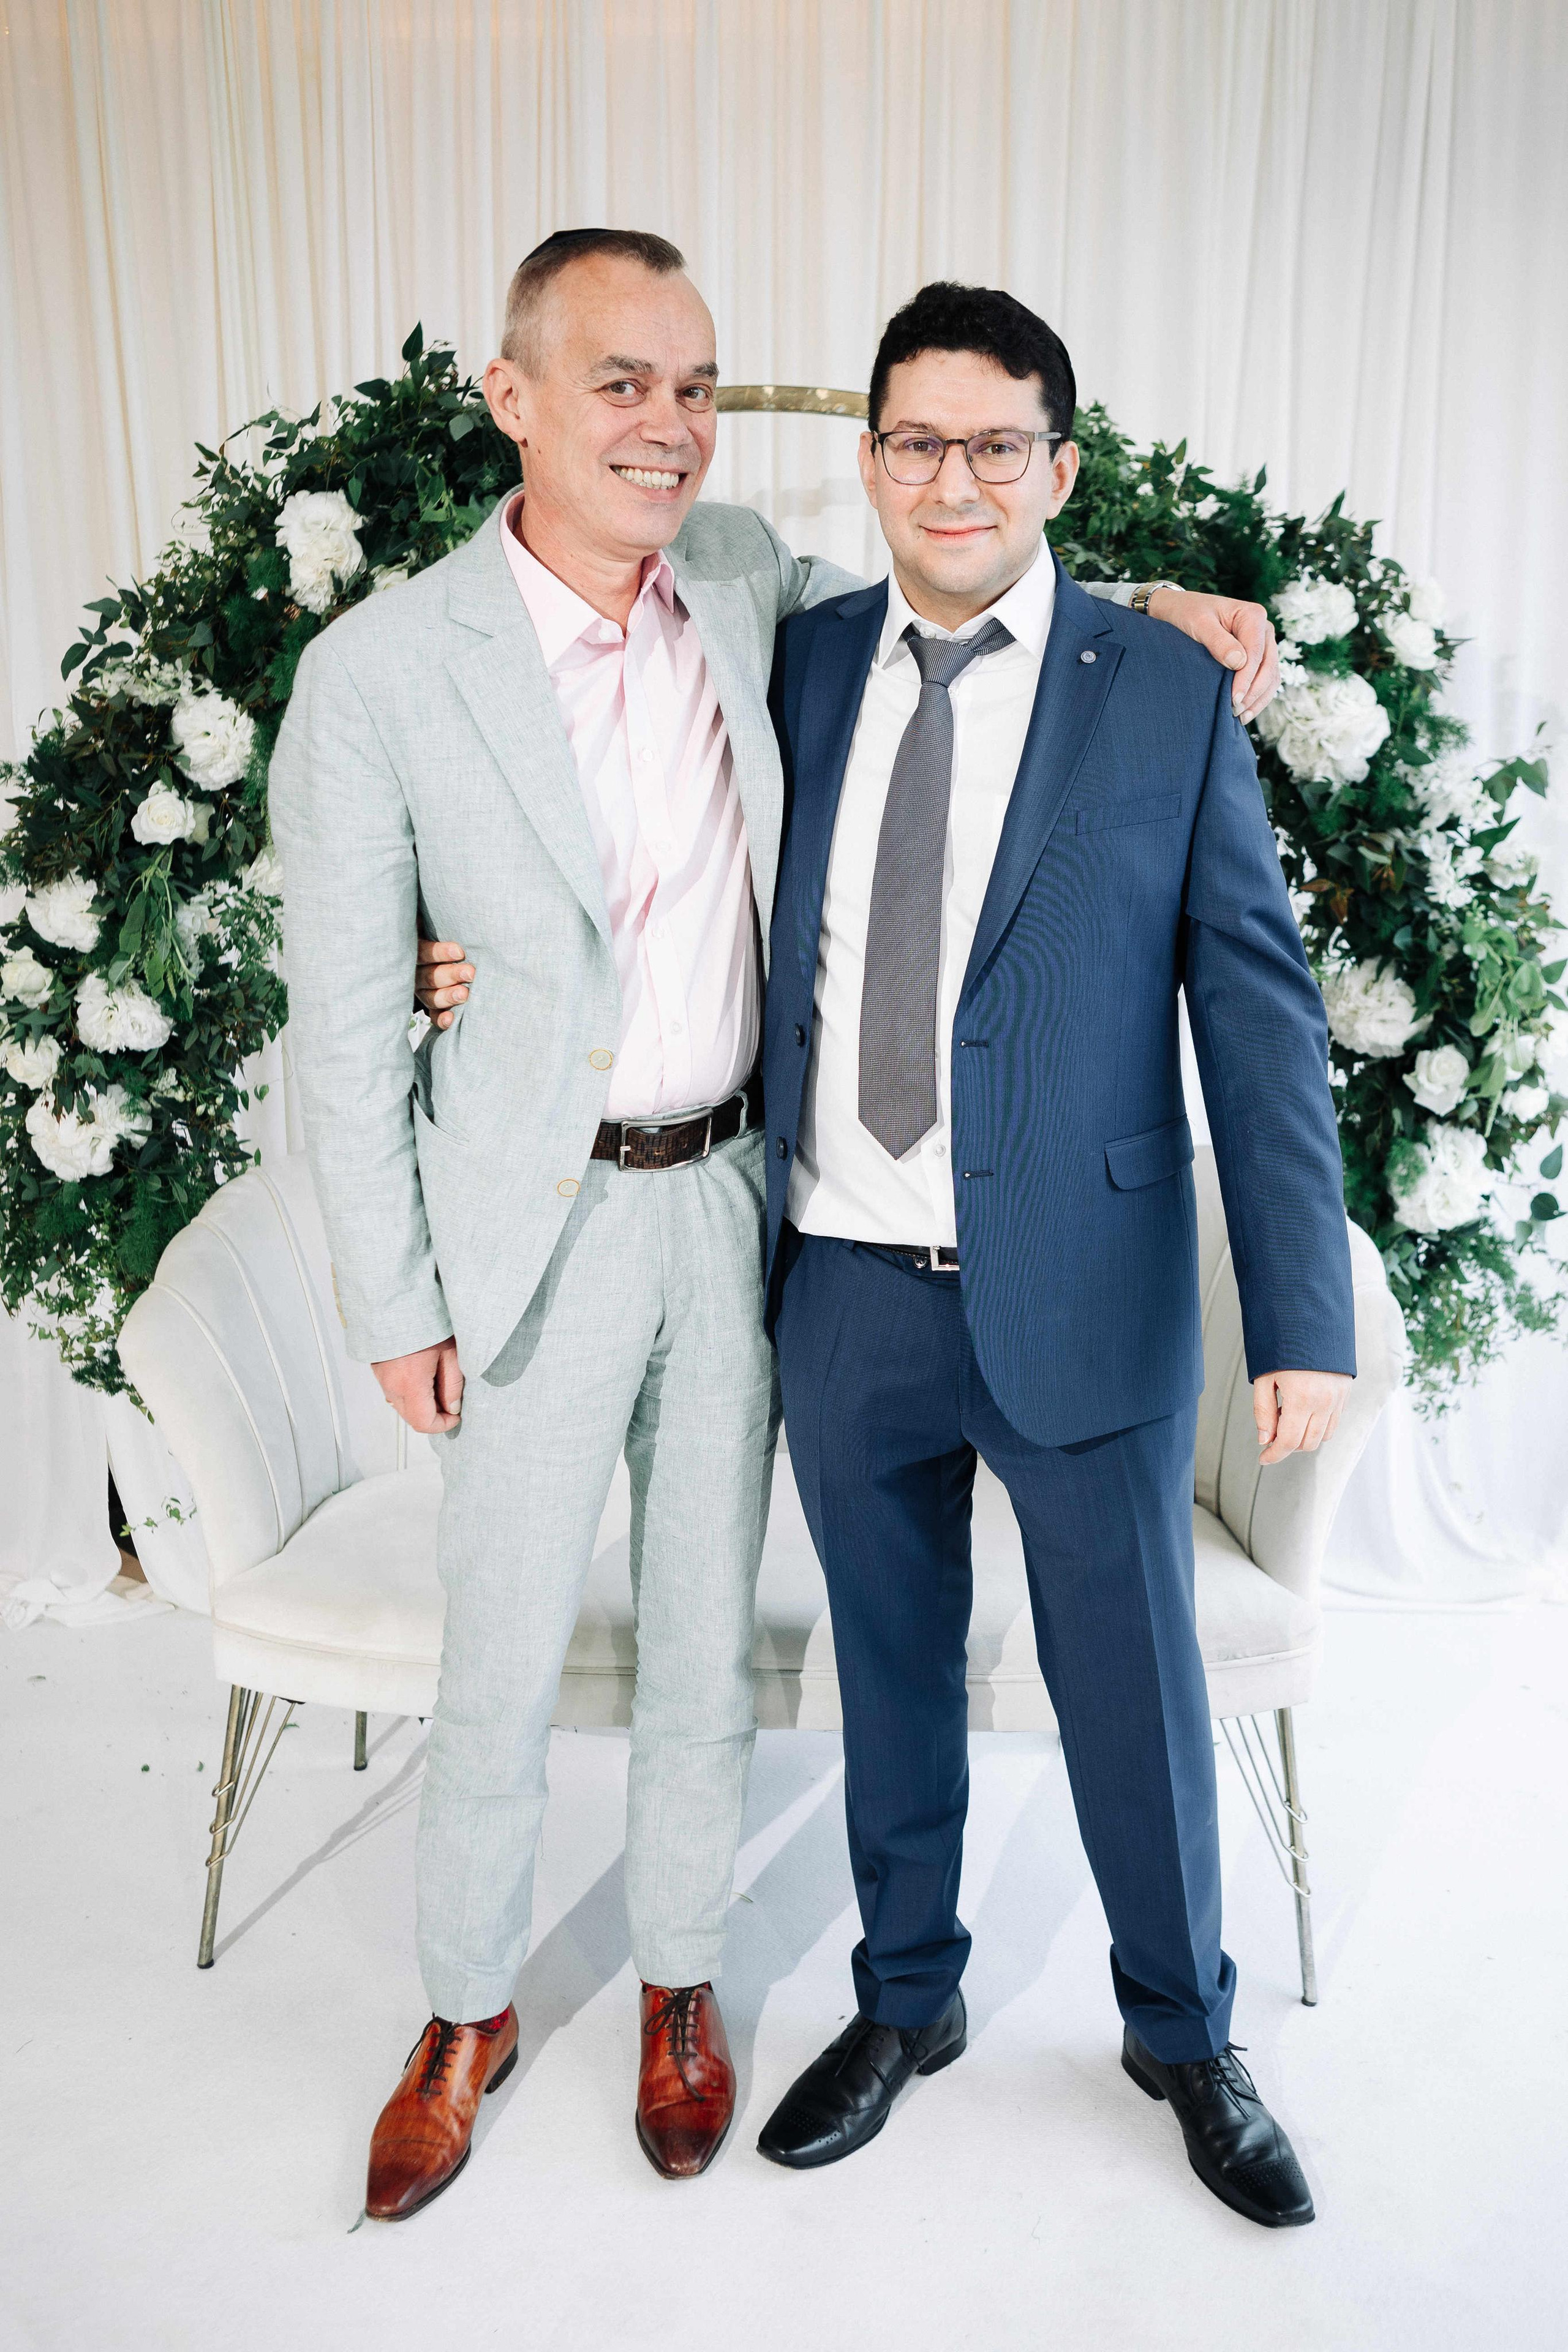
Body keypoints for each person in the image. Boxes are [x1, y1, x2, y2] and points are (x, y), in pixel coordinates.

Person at [277, 225, 1278, 2220]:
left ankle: (680, 1988)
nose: (668, 426)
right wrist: (392, 1292)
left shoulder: (747, 590)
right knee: (501, 1654)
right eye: (623, 384)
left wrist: (1157, 608)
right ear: (517, 399)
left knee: (701, 1657)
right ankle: (463, 2015)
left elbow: (980, 607)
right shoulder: (381, 669)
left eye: (698, 387)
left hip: (746, 1204)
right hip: (542, 1228)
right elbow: (336, 1023)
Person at [750, 281, 1354, 2227]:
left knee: (1133, 1683)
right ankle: (903, 2001)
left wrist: (1306, 1310)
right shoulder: (799, 664)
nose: (953, 477)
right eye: (916, 440)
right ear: (867, 462)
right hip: (844, 1280)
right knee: (892, 1672)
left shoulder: (1159, 684)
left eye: (995, 443)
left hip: (1086, 1282)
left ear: (1059, 467)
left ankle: (1185, 2031)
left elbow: (1257, 1010)